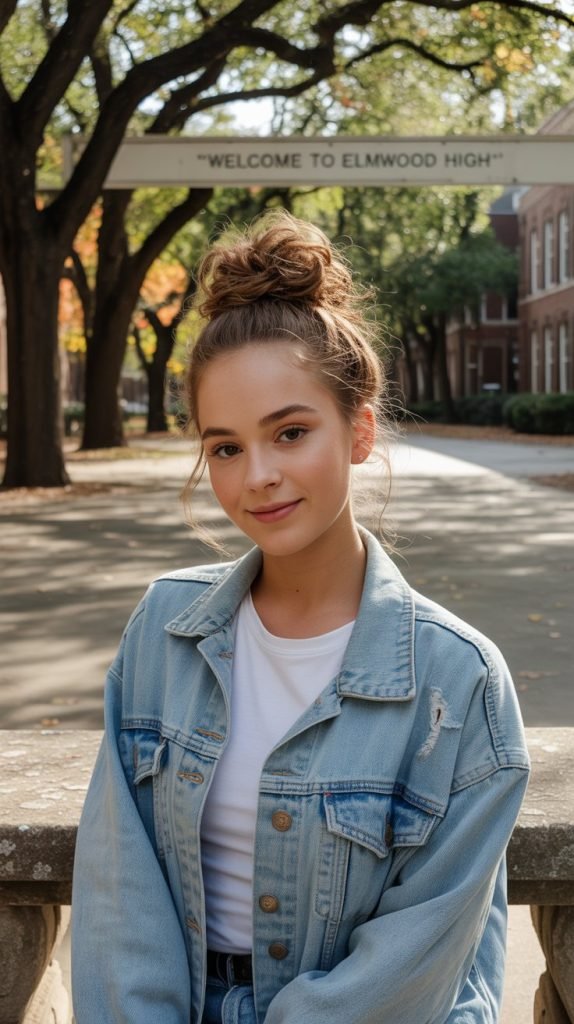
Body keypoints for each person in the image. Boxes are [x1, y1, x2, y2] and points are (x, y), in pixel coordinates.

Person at [71, 212, 530, 1024]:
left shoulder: (460, 685)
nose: (260, 478)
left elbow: (416, 964)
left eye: (290, 432)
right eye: (225, 447)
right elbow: (119, 900)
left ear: (358, 429)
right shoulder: (164, 632)